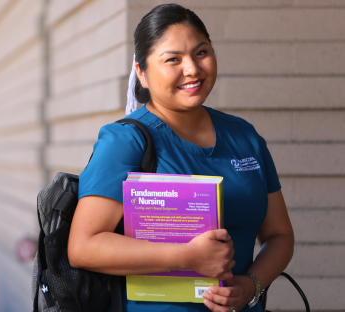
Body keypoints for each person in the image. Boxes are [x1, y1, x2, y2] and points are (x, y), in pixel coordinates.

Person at [68, 3, 294, 312]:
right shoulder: (126, 141)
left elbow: (280, 235)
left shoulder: (245, 137)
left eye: (201, 52)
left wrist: (251, 285)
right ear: (142, 73)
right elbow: (83, 247)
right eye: (173, 59)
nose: (192, 69)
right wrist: (185, 257)